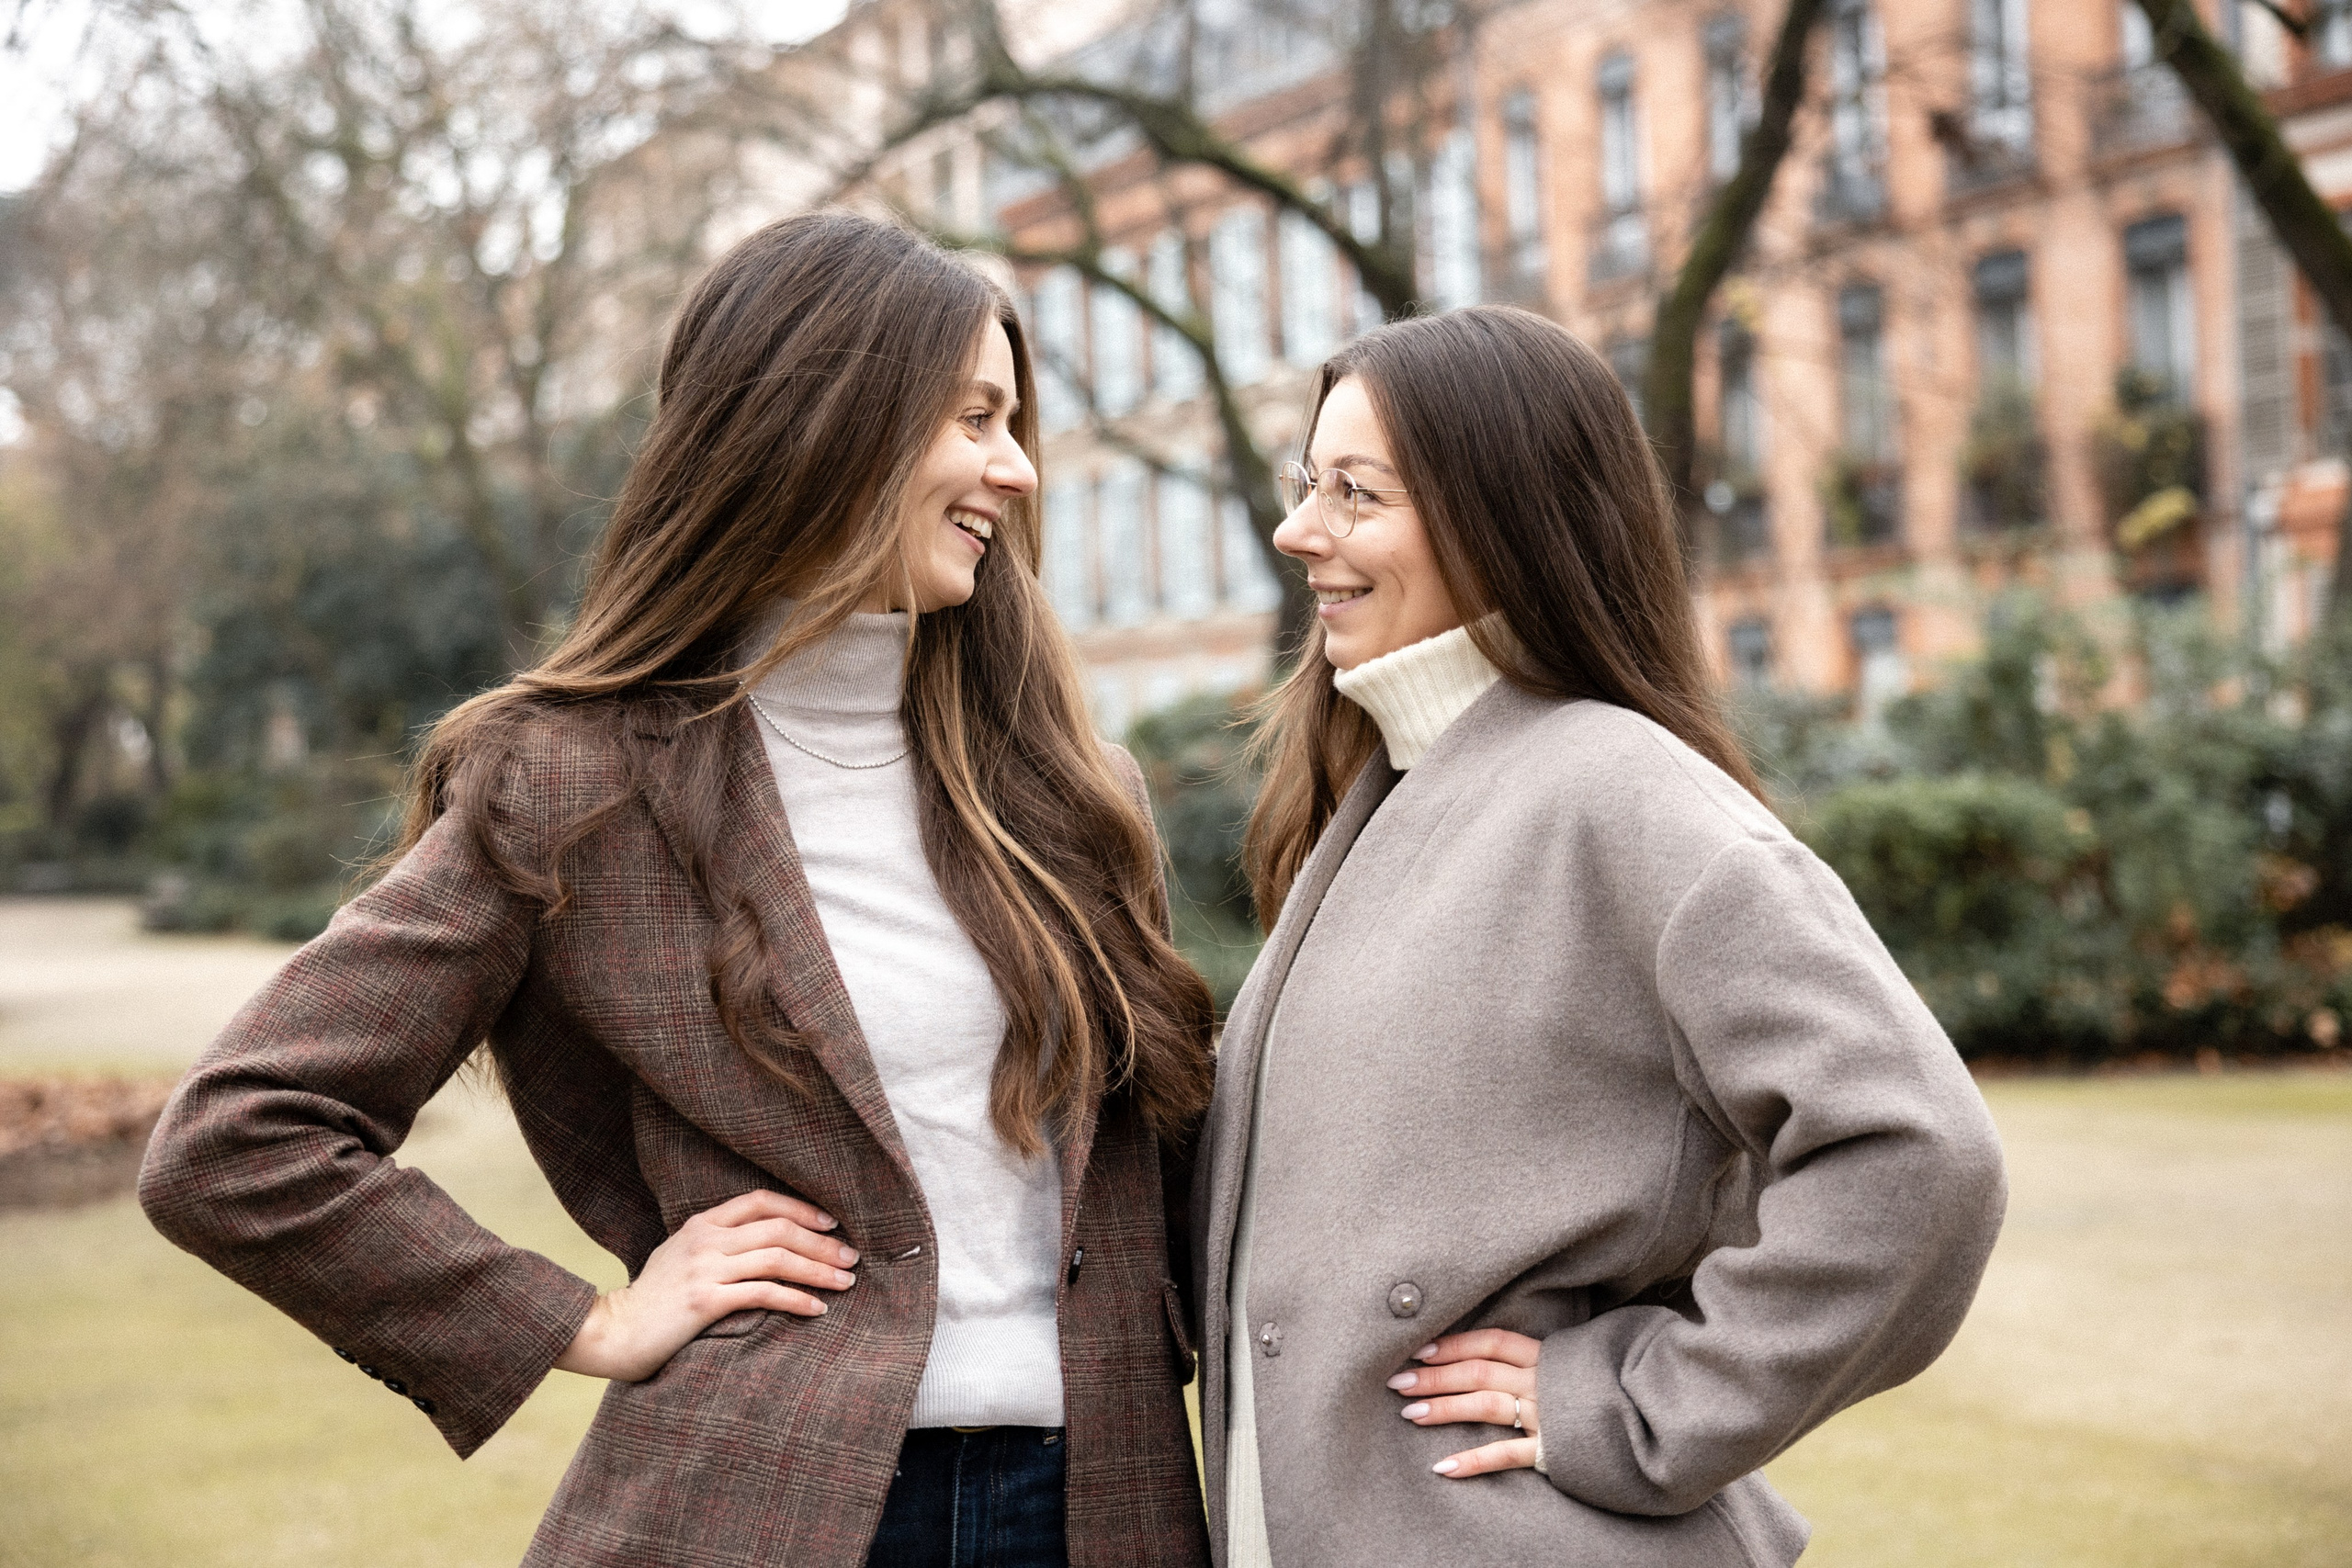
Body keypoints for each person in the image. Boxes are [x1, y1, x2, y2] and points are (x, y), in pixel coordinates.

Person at [140, 211, 1216, 1568]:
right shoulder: (574, 781)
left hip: (1102, 1508)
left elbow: (1190, 1172)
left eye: (1015, 423)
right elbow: (239, 1138)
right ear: (830, 425)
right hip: (761, 1506)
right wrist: (583, 1321)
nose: (1016, 468)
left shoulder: (1078, 791)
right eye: (973, 419)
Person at [1196, 306, 2007, 1567]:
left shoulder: (1622, 793)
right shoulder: (1380, 796)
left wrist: (1634, 1402)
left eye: (1358, 493)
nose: (1300, 530)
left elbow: (1919, 1154)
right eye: (1310, 483)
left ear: (1500, 517)